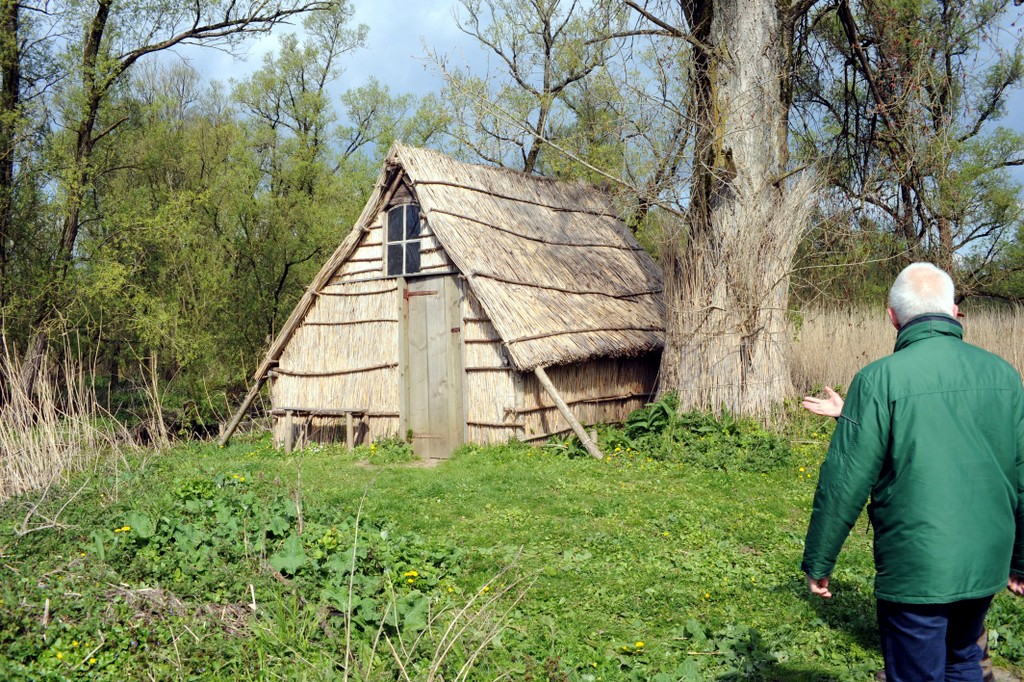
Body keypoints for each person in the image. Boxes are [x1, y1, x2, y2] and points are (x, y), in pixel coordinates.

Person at [801, 262, 1024, 682]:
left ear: (892, 316)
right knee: (964, 659)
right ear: (955, 310)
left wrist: (819, 559)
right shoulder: (1005, 376)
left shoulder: (878, 379)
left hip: (916, 568)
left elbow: (845, 480)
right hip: (985, 563)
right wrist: (1021, 561)